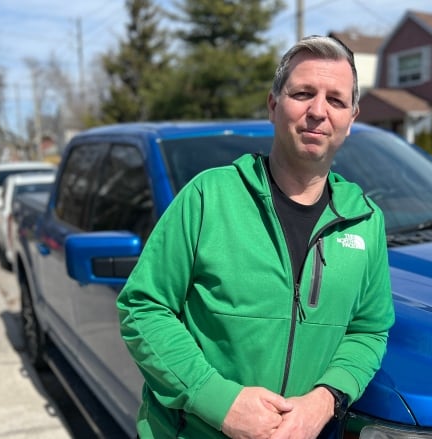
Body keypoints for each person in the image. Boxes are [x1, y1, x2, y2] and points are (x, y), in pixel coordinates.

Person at [117, 35, 395, 439]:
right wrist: (217, 400)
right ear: (273, 105)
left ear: (351, 119)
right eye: (303, 93)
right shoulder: (208, 197)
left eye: (335, 100)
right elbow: (142, 307)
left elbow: (369, 331)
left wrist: (325, 400)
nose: (318, 111)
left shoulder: (365, 221)